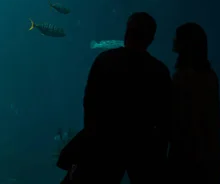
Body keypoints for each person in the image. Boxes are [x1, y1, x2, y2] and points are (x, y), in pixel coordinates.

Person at [66, 12, 171, 183]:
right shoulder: (159, 71)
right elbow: (165, 116)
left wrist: (91, 138)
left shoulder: (104, 61)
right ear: (151, 38)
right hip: (143, 148)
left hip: (104, 145)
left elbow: (89, 103)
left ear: (126, 33)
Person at [169, 22, 220, 184]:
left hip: (187, 155)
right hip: (210, 153)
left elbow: (182, 118)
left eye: (177, 37)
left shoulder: (182, 78)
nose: (173, 40)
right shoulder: (210, 75)